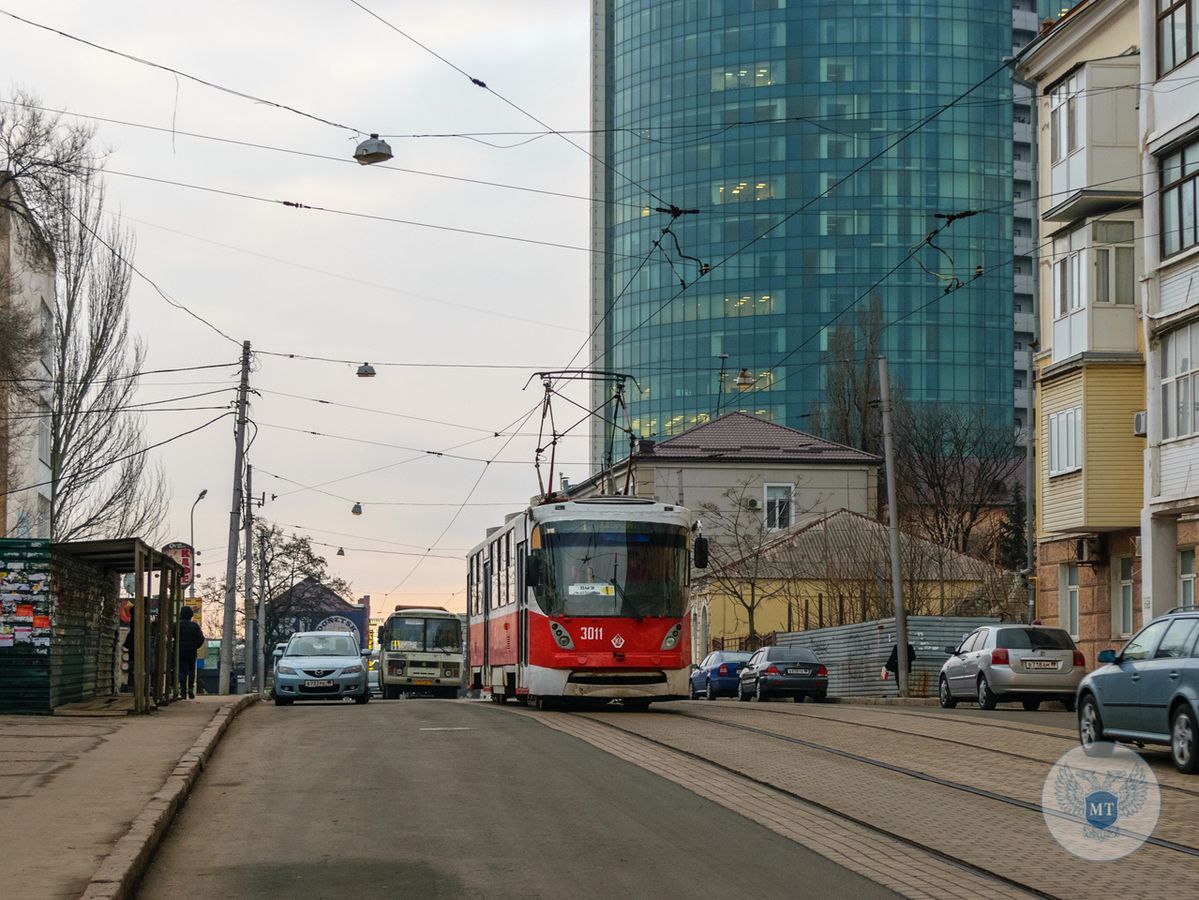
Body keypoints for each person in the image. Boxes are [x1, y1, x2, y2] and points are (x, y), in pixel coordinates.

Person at [177, 606, 206, 699]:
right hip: (191, 652)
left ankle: (183, 692)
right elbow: (201, 639)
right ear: (191, 615)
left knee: (181, 671)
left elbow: (170, 637)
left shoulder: (176, 625)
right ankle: (190, 688)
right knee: (191, 670)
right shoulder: (195, 626)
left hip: (179, 652)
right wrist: (195, 646)